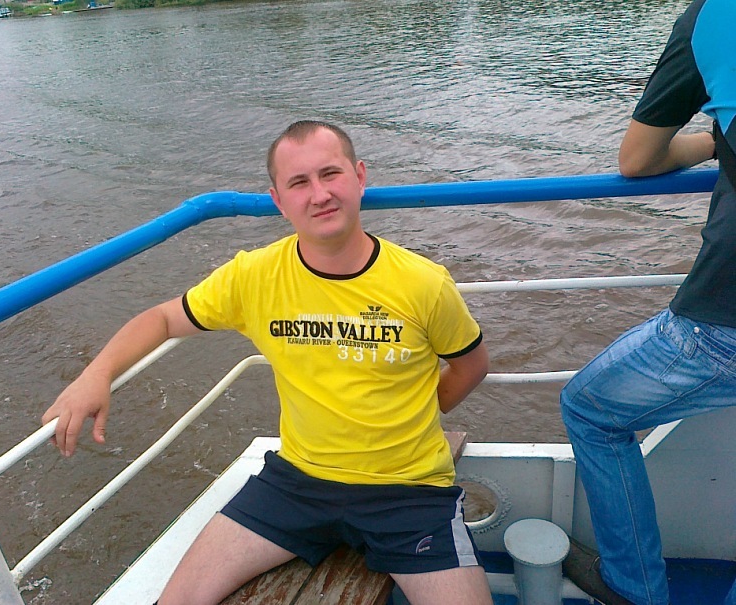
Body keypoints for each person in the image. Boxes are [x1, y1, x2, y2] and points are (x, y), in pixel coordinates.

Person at [42, 120, 493, 605]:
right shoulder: (254, 276)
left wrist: (416, 413)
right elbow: (163, 318)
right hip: (296, 484)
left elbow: (471, 365)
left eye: (330, 174)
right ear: (278, 200)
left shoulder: (424, 283)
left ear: (360, 176)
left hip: (409, 492)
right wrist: (96, 374)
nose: (319, 194)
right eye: (299, 183)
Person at [560, 1, 736, 604]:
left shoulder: (714, 17)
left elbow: (638, 159)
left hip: (726, 317)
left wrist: (714, 141)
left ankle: (634, 587)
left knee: (590, 409)